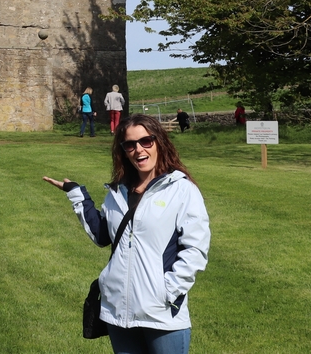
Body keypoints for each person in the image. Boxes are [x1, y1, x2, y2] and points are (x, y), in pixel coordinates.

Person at [43, 114, 210, 354]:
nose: (138, 150)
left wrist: (168, 291)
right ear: (123, 150)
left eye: (146, 141)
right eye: (130, 144)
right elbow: (103, 235)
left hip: (161, 313)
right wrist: (77, 195)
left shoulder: (182, 189)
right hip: (118, 312)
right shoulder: (117, 192)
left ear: (159, 142)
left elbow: (195, 249)